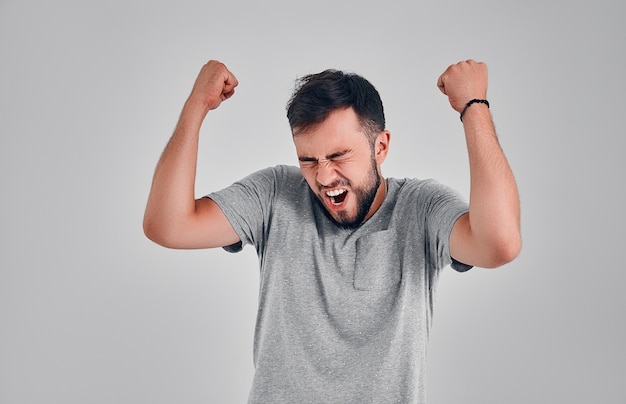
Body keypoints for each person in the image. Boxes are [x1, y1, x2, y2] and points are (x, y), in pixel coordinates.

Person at [143, 59, 521, 403]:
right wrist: (197, 106)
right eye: (309, 160)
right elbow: (168, 225)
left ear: (381, 147)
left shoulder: (421, 208)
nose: (324, 177)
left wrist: (474, 107)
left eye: (339, 156)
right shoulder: (276, 194)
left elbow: (499, 244)